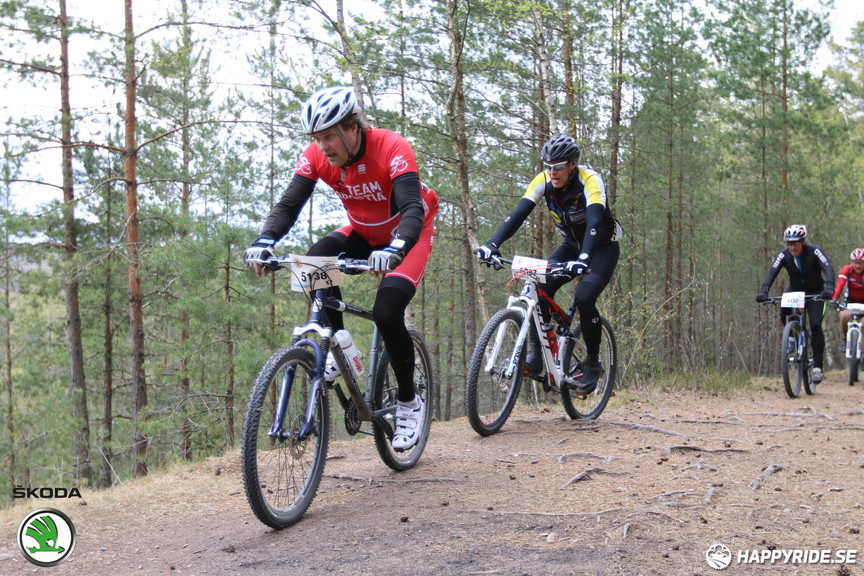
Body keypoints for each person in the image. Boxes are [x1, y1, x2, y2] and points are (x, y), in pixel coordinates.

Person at [243, 86, 439, 451]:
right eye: (317, 138)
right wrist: (265, 239)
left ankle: (409, 404)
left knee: (387, 310)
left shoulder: (391, 146)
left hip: (406, 234)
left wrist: (398, 246)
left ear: (353, 128)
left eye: (329, 136)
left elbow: (412, 206)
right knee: (312, 264)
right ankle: (341, 349)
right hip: (362, 232)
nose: (323, 146)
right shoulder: (316, 156)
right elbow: (289, 204)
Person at [474, 134, 621, 394]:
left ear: (572, 165)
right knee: (535, 288)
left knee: (585, 298)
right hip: (570, 247)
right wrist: (492, 244)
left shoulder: (590, 180)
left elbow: (596, 223)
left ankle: (593, 363)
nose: (552, 172)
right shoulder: (543, 181)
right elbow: (518, 214)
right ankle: (536, 355)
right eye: (548, 166)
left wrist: (584, 259)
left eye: (558, 166)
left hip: (600, 248)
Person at [755, 224, 835, 383]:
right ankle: (791, 337)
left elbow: (828, 268)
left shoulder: (815, 251)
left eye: (796, 243)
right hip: (795, 290)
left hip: (816, 292)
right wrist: (764, 291)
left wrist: (829, 288)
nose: (792, 247)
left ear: (803, 241)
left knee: (816, 325)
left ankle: (818, 367)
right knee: (784, 308)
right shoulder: (783, 255)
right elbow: (772, 271)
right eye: (789, 244)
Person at [831, 248, 864, 352]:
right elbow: (840, 285)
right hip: (850, 300)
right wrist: (834, 299)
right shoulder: (847, 270)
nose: (858, 266)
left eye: (861, 263)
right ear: (851, 262)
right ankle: (846, 339)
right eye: (855, 262)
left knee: (863, 324)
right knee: (844, 315)